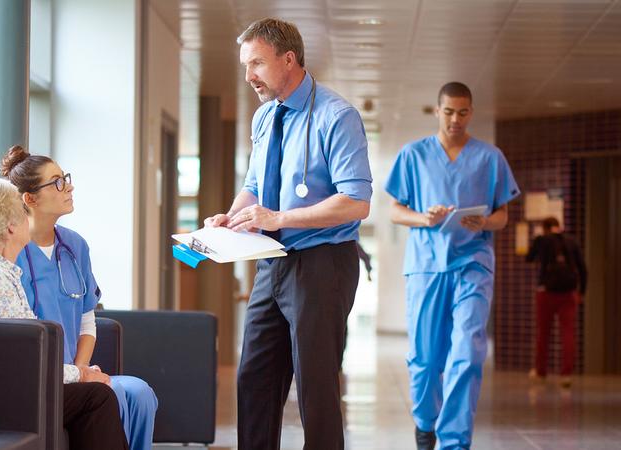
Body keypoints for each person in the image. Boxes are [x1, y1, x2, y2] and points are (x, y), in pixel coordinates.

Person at [204, 18, 372, 449]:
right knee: (254, 376)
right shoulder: (264, 118)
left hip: (323, 263)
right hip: (273, 261)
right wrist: (231, 216)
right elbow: (255, 186)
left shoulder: (337, 117)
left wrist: (280, 219)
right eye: (245, 65)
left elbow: (356, 201)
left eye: (257, 63)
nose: (249, 76)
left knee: (315, 387)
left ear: (289, 59)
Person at [0, 176, 129, 450]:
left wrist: (79, 373)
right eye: (23, 215)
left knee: (91, 392)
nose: (28, 221)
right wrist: (81, 374)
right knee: (97, 396)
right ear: (11, 227)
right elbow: (28, 364)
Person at [385, 81, 520, 450]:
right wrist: (424, 218)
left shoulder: (490, 157)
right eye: (448, 112)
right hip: (427, 267)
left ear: (471, 113)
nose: (455, 119)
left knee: (467, 351)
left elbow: (503, 215)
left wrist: (485, 222)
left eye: (462, 112)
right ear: (437, 111)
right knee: (426, 359)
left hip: (473, 265)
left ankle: (455, 442)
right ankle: (426, 424)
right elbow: (395, 211)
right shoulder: (413, 155)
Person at [0, 146, 158, 450]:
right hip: (38, 378)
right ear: (29, 199)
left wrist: (81, 371)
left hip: (76, 371)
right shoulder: (11, 252)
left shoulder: (75, 246)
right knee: (109, 395)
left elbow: (88, 319)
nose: (69, 186)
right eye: (57, 182)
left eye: (66, 178)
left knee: (140, 393)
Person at [526, 216, 587, 388]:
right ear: (558, 227)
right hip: (568, 293)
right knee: (568, 333)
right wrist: (581, 292)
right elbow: (583, 268)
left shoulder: (542, 240)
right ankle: (566, 374)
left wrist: (537, 240)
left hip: (546, 292)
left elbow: (529, 258)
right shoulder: (571, 241)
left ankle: (540, 372)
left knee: (543, 333)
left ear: (545, 228)